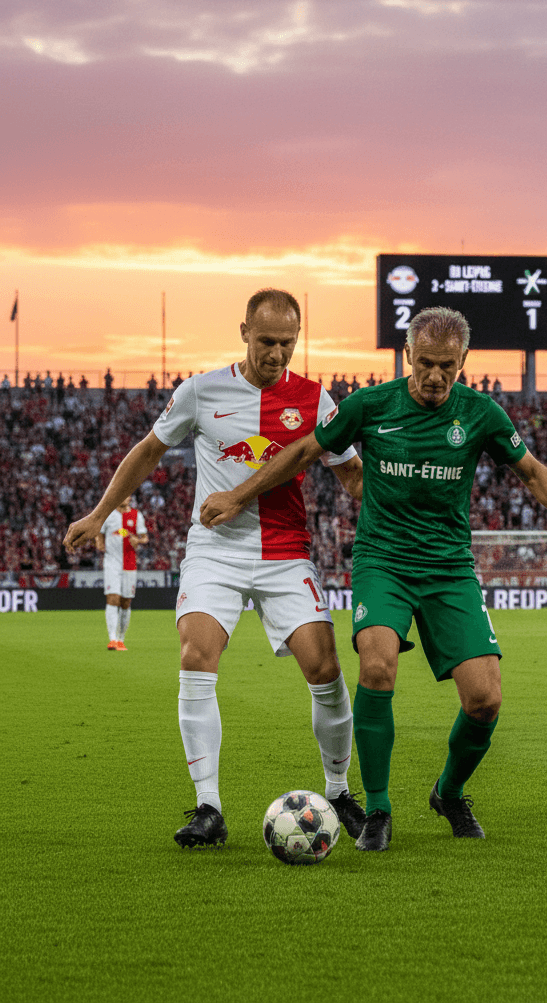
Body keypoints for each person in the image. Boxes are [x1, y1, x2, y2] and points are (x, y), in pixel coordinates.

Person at [200, 306, 547, 852]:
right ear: (407, 357)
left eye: (447, 365)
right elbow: (305, 449)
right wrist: (237, 494)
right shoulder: (370, 406)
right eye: (425, 363)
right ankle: (377, 809)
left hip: (449, 569)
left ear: (464, 362)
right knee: (375, 669)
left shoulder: (482, 413)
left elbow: (533, 473)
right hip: (383, 562)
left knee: (485, 701)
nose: (436, 376)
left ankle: (449, 791)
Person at [63, 289, 366, 850]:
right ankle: (209, 807)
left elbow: (351, 474)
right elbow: (149, 450)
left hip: (286, 553)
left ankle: (340, 789)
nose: (277, 354)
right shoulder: (201, 391)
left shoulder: (316, 399)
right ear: (244, 331)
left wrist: (379, 508)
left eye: (288, 343)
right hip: (215, 550)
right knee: (195, 655)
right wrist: (101, 513)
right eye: (268, 341)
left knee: (324, 668)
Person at [95, 496, 149, 650]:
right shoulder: (108, 514)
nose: (125, 497)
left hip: (130, 563)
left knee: (126, 601)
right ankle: (112, 639)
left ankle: (120, 639)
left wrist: (138, 541)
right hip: (112, 562)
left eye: (128, 495)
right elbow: (99, 530)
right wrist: (99, 541)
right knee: (113, 597)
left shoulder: (136, 515)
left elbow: (145, 537)